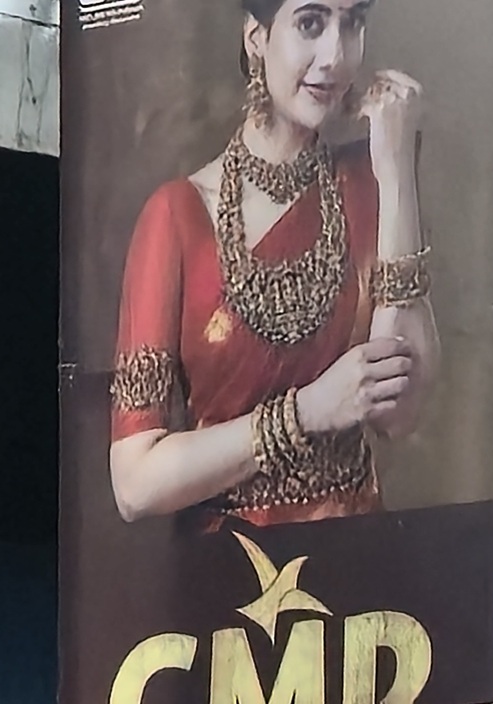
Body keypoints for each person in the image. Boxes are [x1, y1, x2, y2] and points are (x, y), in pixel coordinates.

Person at [101, 0, 430, 534]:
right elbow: (134, 484)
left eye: (353, 24)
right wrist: (307, 412)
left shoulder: (371, 186)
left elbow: (400, 411)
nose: (336, 56)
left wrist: (395, 177)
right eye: (310, 23)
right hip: (226, 584)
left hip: (359, 567)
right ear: (256, 36)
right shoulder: (177, 217)